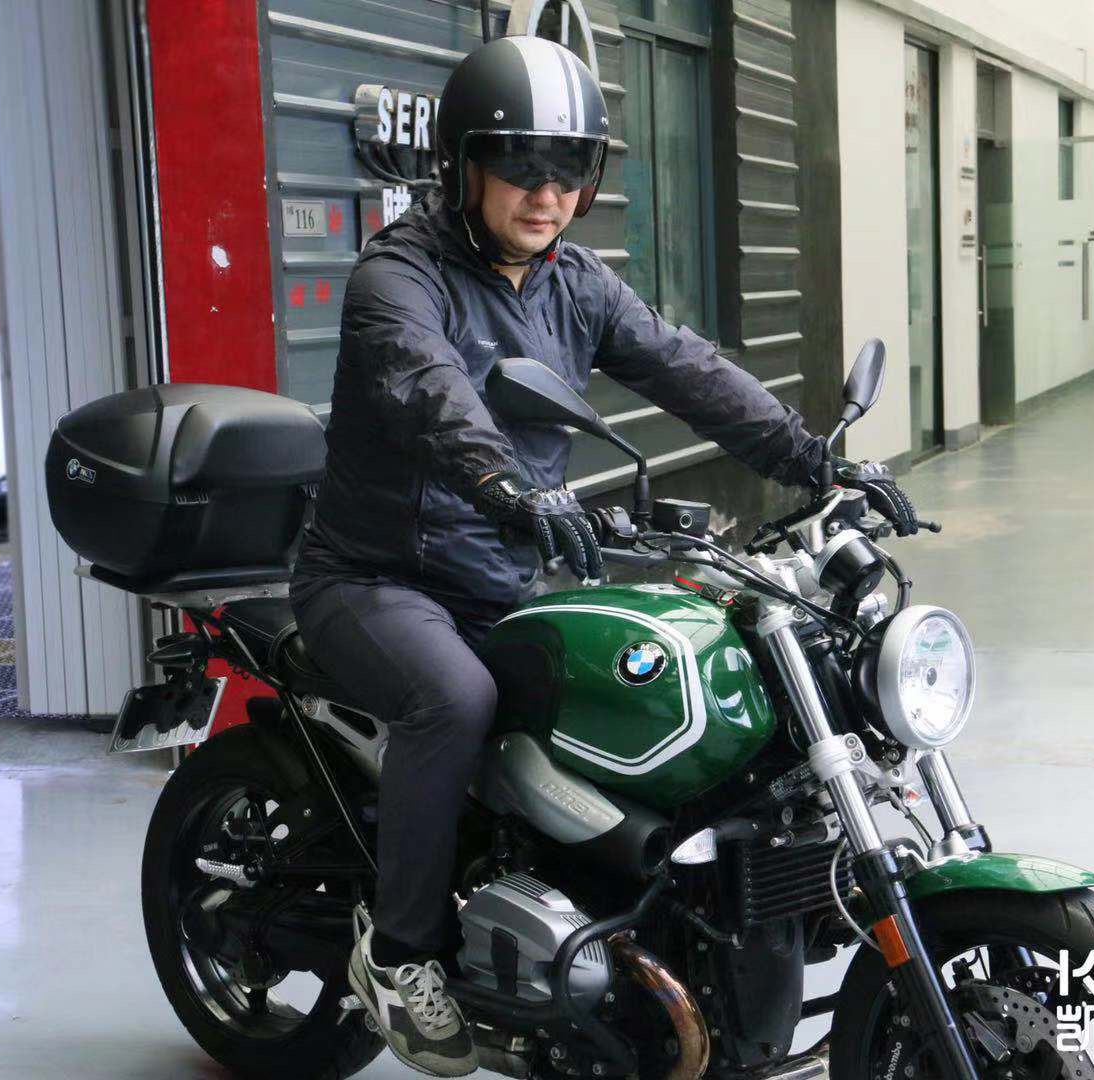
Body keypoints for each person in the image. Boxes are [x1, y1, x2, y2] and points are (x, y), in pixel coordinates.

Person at [289, 36, 920, 1076]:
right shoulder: (397, 275)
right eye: (521, 163)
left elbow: (687, 369)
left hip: (509, 573)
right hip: (379, 578)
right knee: (453, 701)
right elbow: (429, 388)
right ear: (464, 165)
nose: (547, 193)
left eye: (570, 168)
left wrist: (816, 462)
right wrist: (510, 487)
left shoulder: (573, 282)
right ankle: (400, 954)